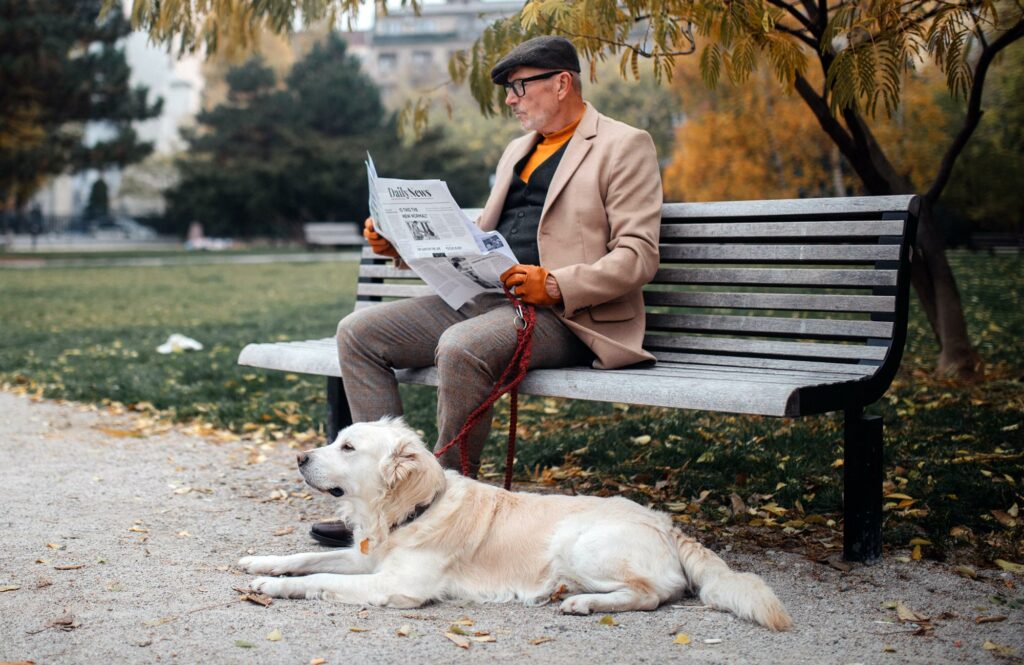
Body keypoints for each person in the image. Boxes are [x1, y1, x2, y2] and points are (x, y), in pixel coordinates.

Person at [312, 36, 663, 547]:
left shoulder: (623, 144)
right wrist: (399, 247)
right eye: (508, 90)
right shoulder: (517, 150)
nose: (510, 100)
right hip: (489, 298)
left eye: (519, 87)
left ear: (562, 82)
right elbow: (481, 238)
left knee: (461, 347)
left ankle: (444, 507)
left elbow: (638, 255)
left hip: (565, 315)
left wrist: (557, 283)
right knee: (359, 333)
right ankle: (373, 498)